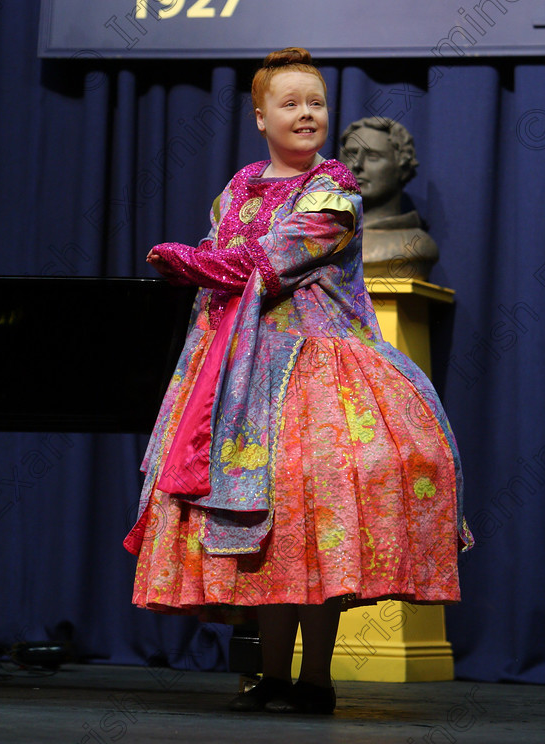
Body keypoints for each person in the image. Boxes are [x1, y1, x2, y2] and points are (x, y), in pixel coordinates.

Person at [124, 48, 472, 715]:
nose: (306, 113)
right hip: (244, 377)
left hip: (320, 372)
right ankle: (273, 674)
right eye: (291, 103)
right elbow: (228, 267)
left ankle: (316, 677)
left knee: (324, 516)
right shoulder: (238, 188)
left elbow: (270, 261)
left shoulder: (333, 191)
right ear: (261, 117)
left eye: (315, 102)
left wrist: (190, 260)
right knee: (273, 525)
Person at [340, 117, 439, 279]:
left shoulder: (414, 246)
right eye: (351, 155)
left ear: (403, 166)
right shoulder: (326, 238)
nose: (357, 164)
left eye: (373, 157)